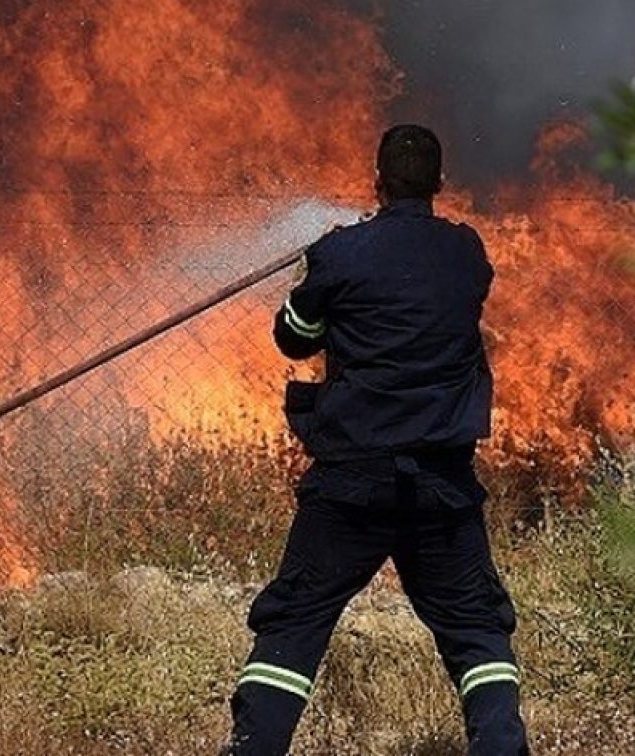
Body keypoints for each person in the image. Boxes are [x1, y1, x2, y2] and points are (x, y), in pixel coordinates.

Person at [222, 124, 530, 755]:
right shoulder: (466, 255)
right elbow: (421, 289)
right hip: (442, 485)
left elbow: (294, 336)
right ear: (441, 185)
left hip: (351, 484)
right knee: (476, 630)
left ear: (376, 181)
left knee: (297, 620)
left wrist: (319, 270)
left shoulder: (341, 255)